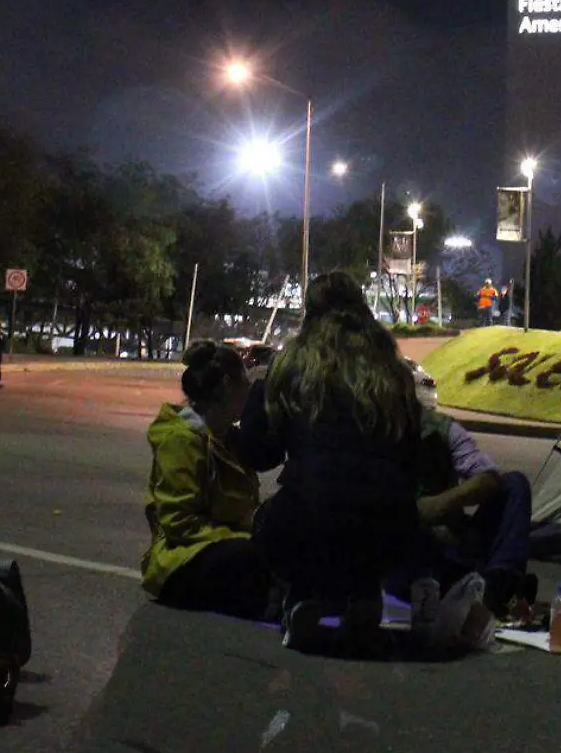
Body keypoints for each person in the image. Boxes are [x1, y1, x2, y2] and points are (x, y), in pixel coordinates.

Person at [238, 272, 424, 654]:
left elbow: (259, 454)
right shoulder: (393, 372)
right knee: (369, 509)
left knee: (273, 521)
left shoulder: (290, 364)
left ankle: (303, 597)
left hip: (305, 521)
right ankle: (363, 596)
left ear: (309, 312)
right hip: (391, 529)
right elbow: (412, 456)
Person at [141, 342, 272, 619]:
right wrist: (245, 536)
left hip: (221, 547)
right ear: (227, 386)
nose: (248, 392)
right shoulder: (182, 441)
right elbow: (179, 522)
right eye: (244, 384)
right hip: (182, 559)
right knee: (251, 557)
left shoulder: (228, 439)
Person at [402, 407, 535, 620]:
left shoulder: (439, 428)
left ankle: (500, 584)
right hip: (413, 547)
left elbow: (487, 476)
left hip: (453, 537)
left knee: (514, 485)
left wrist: (440, 504)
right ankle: (483, 589)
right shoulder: (372, 435)